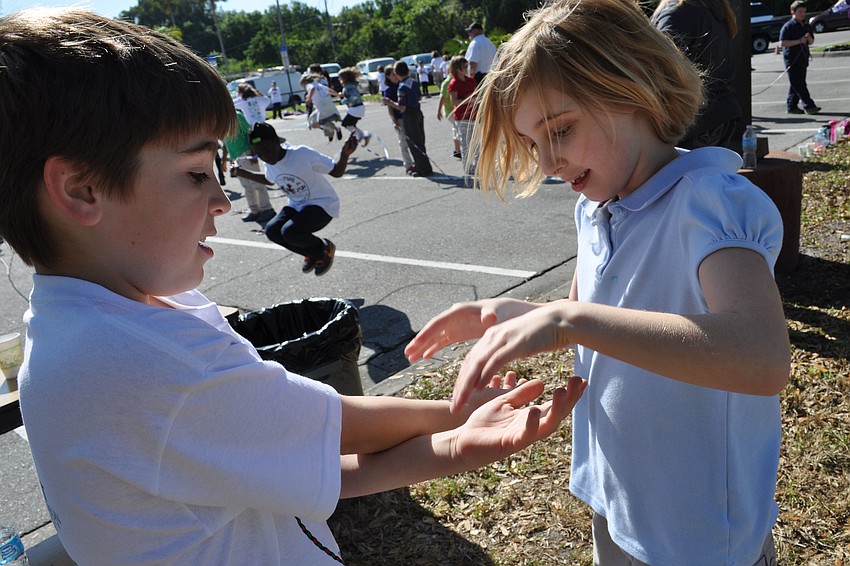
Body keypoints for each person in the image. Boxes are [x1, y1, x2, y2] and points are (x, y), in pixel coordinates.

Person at [0, 9, 587, 565]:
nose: (222, 203)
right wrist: (460, 411)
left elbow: (309, 465)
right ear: (81, 190)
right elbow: (340, 427)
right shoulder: (141, 358)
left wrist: (459, 445)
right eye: (196, 173)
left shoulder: (78, 329)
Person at [405, 0, 790, 564]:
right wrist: (513, 314)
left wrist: (569, 320)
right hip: (620, 493)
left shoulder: (709, 203)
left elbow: (762, 356)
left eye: (560, 129)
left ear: (633, 89)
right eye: (534, 144)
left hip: (698, 526)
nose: (549, 162)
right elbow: (589, 315)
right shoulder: (596, 209)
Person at [234, 122, 353, 276]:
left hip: (322, 204)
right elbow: (270, 179)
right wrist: (241, 172)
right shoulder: (270, 162)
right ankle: (313, 253)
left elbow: (336, 172)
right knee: (272, 231)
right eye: (260, 155)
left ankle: (323, 248)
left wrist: (344, 155)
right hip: (297, 206)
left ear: (277, 142)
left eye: (267, 151)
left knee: (289, 232)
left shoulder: (301, 154)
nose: (266, 157)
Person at [651, 0, 742, 149]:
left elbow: (659, 66)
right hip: (722, 113)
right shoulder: (716, 9)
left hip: (692, 117)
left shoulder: (678, 12)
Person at [222, 110, 276, 225]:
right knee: (247, 186)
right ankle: (255, 210)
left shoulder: (236, 116)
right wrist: (225, 160)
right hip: (235, 157)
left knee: (257, 184)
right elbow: (226, 143)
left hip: (245, 153)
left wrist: (253, 152)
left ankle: (267, 209)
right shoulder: (220, 120)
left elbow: (249, 133)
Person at [383, 61, 433, 177]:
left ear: (396, 73)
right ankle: (423, 165)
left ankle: (422, 169)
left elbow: (402, 106)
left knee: (414, 143)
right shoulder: (414, 82)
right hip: (418, 112)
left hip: (409, 115)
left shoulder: (401, 87)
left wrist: (389, 102)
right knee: (420, 140)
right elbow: (419, 97)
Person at [780, 0, 820, 115]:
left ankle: (791, 106)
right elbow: (782, 43)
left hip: (803, 59)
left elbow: (811, 42)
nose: (802, 14)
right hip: (792, 60)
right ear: (793, 12)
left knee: (796, 84)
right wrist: (798, 41)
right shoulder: (788, 26)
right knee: (799, 84)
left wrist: (808, 38)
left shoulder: (805, 25)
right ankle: (809, 105)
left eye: (804, 12)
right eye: (800, 11)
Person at [446, 56, 478, 180]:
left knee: (476, 143)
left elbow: (475, 95)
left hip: (473, 116)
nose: (467, 68)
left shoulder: (471, 81)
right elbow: (454, 101)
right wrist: (469, 99)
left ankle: (479, 166)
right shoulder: (454, 83)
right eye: (464, 67)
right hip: (462, 117)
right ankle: (468, 167)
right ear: (457, 69)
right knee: (466, 143)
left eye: (467, 66)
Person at [384, 68, 416, 174]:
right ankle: (408, 164)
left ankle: (416, 162)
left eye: (396, 73)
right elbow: (390, 107)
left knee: (414, 140)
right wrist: (394, 120)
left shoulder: (403, 85)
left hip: (409, 116)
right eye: (393, 74)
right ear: (388, 76)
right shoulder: (389, 90)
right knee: (403, 141)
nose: (395, 76)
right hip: (399, 118)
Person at [301, 73, 342, 142]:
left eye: (303, 86)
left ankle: (331, 129)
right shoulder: (319, 85)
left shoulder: (309, 85)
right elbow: (329, 90)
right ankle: (335, 129)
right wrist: (338, 94)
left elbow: (312, 89)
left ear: (304, 83)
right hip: (327, 105)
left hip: (322, 106)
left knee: (319, 123)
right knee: (314, 123)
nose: (304, 88)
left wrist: (309, 98)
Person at [337, 67, 372, 147]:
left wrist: (343, 100)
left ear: (344, 78)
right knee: (351, 125)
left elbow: (353, 97)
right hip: (357, 108)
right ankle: (361, 135)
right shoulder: (350, 86)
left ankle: (362, 135)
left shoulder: (348, 87)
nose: (339, 79)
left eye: (340, 77)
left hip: (356, 108)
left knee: (345, 123)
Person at [436, 69, 462, 160]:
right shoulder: (447, 83)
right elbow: (442, 98)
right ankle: (461, 149)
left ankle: (457, 150)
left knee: (456, 128)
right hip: (450, 111)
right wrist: (439, 111)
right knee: (458, 128)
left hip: (458, 110)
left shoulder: (460, 80)